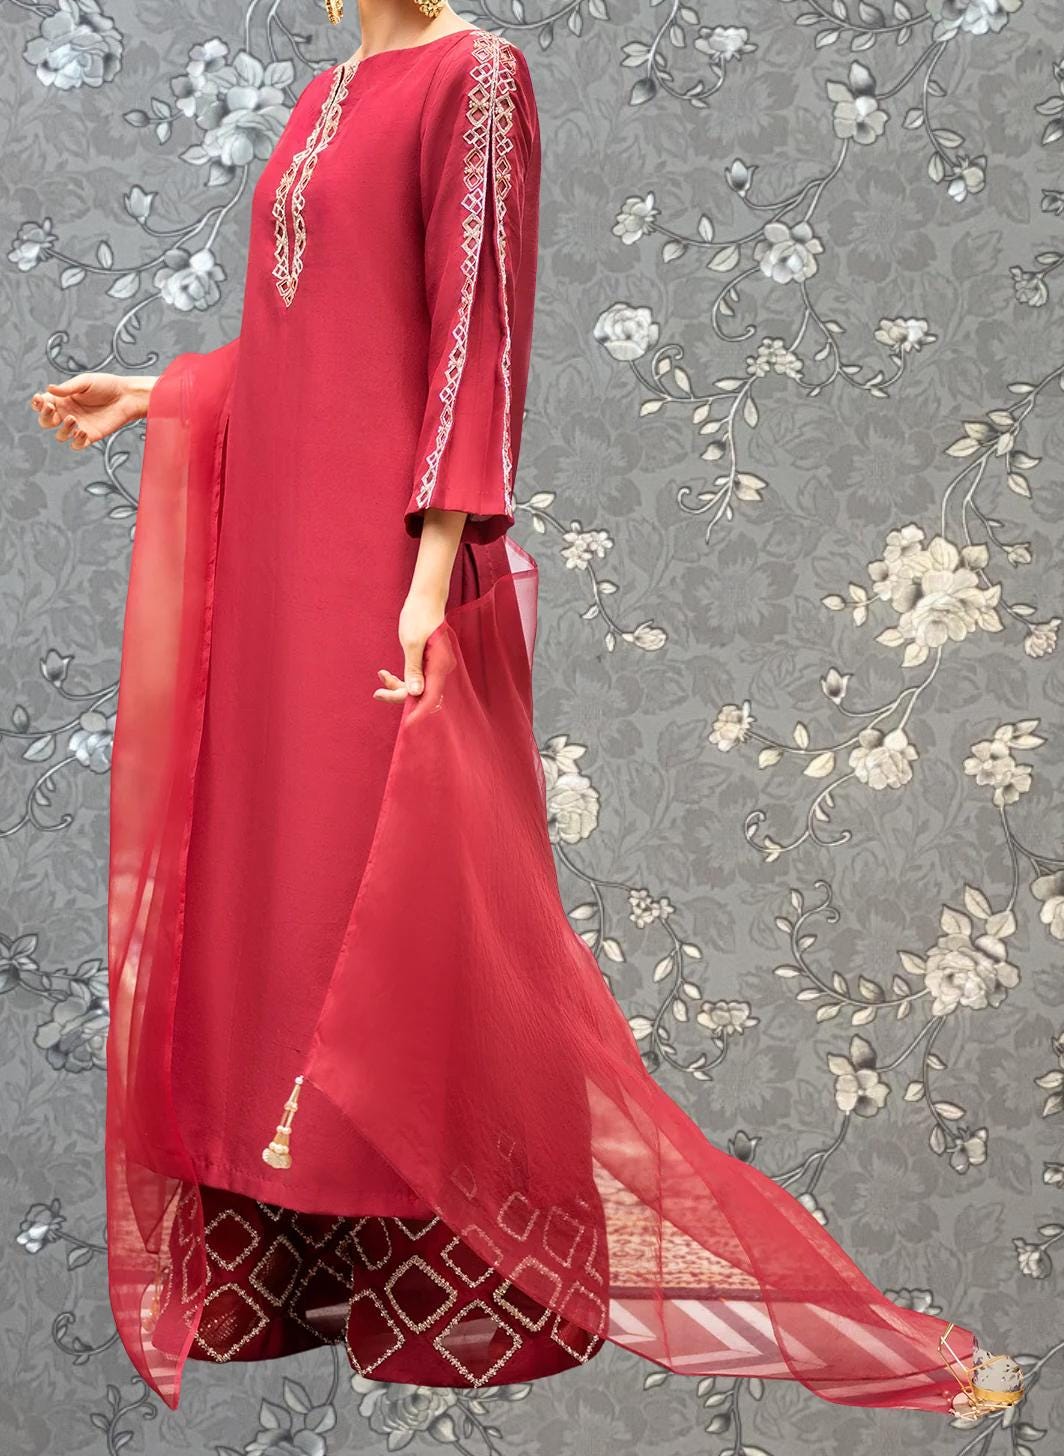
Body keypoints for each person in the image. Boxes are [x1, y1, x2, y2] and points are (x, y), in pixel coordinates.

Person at [29, 0, 1023, 1426]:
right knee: (286, 919)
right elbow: (332, 348)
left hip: (383, 579)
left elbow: (467, 349)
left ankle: (837, 1335)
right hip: (283, 575)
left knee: (437, 938)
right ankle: (312, 1242)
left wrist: (428, 582)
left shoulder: (477, 80)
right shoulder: (325, 93)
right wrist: (167, 394)